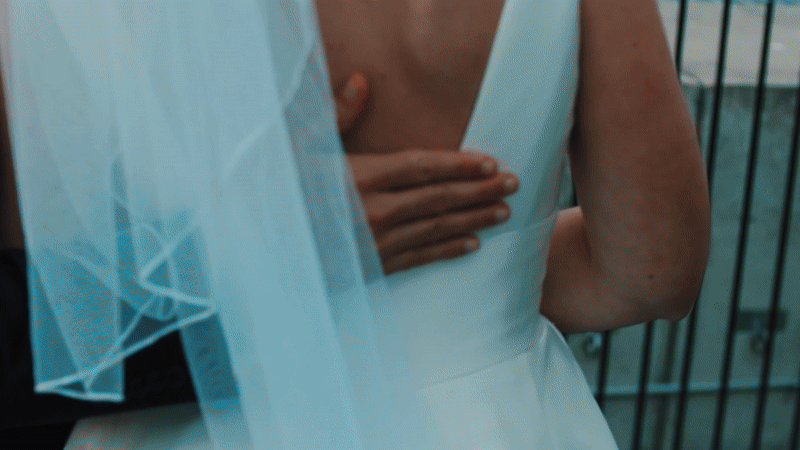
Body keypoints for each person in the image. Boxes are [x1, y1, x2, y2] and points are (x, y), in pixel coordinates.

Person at [4, 0, 711, 448]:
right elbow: (652, 272)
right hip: (487, 419)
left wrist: (231, 263)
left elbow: (43, 310)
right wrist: (482, 267)